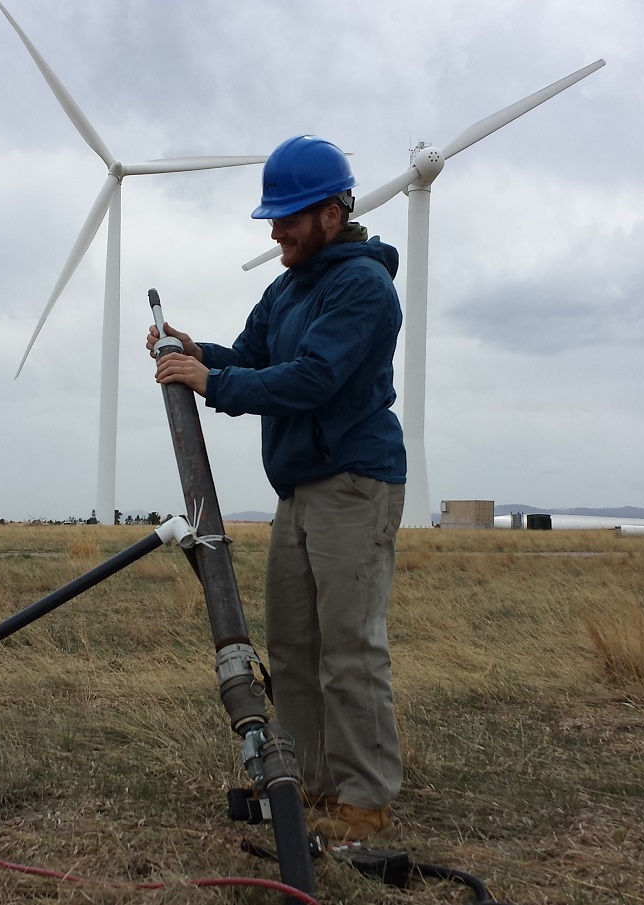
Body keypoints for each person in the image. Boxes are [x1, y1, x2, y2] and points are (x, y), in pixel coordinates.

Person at [146, 134, 407, 843]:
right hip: (297, 489)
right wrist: (201, 355)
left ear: (332, 212)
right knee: (292, 649)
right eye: (273, 214)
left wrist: (215, 383)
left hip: (354, 482)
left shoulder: (362, 286)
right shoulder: (287, 287)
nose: (275, 228)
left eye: (288, 214)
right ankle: (312, 784)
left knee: (349, 646)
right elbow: (254, 360)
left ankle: (367, 797)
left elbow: (313, 378)